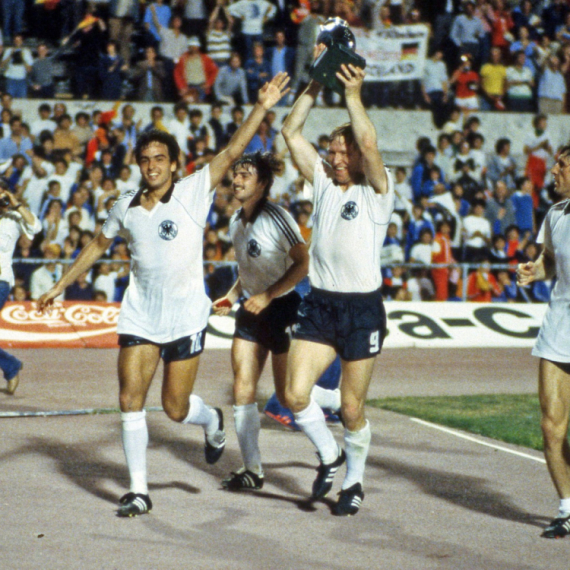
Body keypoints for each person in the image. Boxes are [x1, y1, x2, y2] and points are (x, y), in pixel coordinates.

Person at [38, 72, 291, 517]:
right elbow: (97, 244)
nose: (151, 165)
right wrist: (61, 283)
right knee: (129, 400)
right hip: (140, 315)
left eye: (159, 158)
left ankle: (210, 420)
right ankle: (139, 491)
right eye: (145, 159)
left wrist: (262, 107)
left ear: (174, 163)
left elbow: (233, 150)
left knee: (174, 408)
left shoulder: (194, 190)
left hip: (186, 316)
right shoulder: (124, 204)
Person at [281, 51, 394, 516]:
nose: (337, 158)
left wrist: (352, 93)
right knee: (293, 394)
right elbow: (290, 132)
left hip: (362, 309)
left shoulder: (378, 190)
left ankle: (354, 480)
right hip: (321, 303)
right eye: (333, 151)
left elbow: (368, 140)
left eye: (345, 152)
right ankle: (330, 455)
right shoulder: (324, 182)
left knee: (351, 409)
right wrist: (315, 81)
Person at [211, 151, 310, 489]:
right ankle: (252, 470)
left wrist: (268, 295)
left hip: (282, 307)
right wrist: (232, 295)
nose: (237, 180)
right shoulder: (235, 221)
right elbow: (248, 271)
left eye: (246, 175)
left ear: (263, 183)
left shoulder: (278, 217)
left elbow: (303, 264)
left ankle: (332, 435)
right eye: (236, 174)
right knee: (242, 387)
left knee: (288, 397)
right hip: (251, 309)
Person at [517, 143, 570, 538]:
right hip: (559, 324)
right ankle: (567, 507)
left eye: (562, 166)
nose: (553, 172)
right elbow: (551, 259)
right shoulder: (555, 214)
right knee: (552, 426)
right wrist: (534, 271)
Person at [0, 186, 41, 394]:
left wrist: (15, 204)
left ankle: (11, 366)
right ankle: (11, 366)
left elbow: (36, 227)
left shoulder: (13, 218)